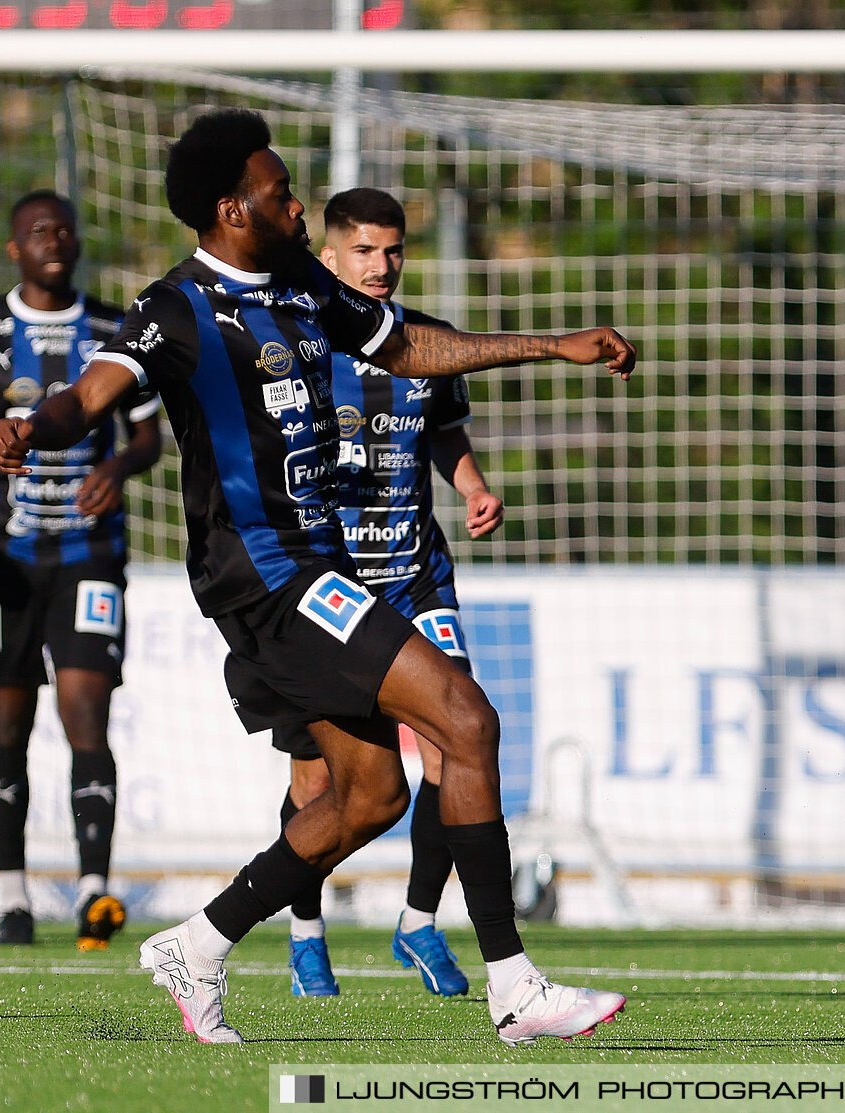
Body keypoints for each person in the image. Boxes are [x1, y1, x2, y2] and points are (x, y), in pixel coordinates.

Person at [0, 108, 636, 1047]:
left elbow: (406, 347)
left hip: (317, 569)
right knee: (467, 718)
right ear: (230, 207)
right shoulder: (177, 308)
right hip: (265, 579)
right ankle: (515, 985)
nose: (296, 204)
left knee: (371, 794)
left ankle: (199, 946)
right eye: (280, 190)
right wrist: (30, 431)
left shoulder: (297, 285)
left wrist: (548, 345)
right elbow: (88, 394)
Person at [276, 187, 499, 999]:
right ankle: (306, 935)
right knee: (321, 783)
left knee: (454, 741)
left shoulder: (422, 339)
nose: (380, 265)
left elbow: (442, 427)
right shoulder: (297, 343)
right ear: (329, 256)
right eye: (363, 251)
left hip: (415, 574)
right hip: (327, 592)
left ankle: (419, 922)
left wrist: (471, 484)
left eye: (393, 250)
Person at [0, 189, 162, 950]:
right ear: (15, 247)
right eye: (39, 231)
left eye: (65, 230)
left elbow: (146, 436)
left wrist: (117, 465)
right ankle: (12, 894)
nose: (56, 239)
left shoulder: (115, 330)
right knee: (7, 719)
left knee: (86, 709)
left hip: (88, 554)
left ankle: (94, 892)